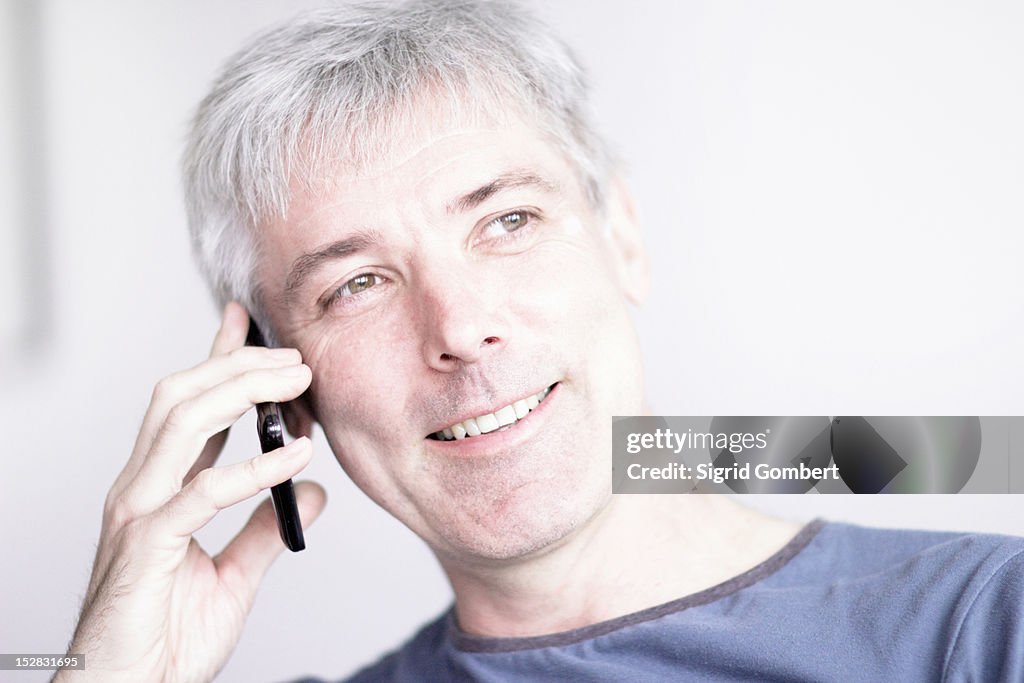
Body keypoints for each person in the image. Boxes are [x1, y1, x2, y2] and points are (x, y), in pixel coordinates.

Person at [57, 1, 1024, 681]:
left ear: (625, 239)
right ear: (279, 387)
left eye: (508, 221)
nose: (460, 329)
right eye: (356, 285)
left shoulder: (984, 627)